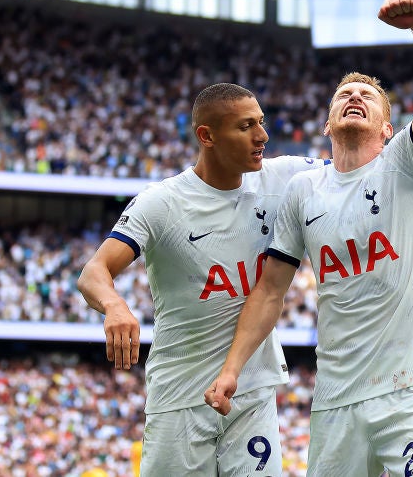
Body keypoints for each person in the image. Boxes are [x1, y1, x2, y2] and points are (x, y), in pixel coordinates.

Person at [205, 0, 413, 477]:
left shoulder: (405, 165)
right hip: (337, 395)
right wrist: (232, 368)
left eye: (368, 96)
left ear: (389, 129)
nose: (355, 97)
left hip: (411, 386)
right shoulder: (305, 190)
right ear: (327, 123)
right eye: (344, 94)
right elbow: (269, 291)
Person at [77, 82, 327, 476]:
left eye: (261, 123)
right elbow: (94, 270)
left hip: (252, 390)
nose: (262, 136)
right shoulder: (162, 203)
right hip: (180, 395)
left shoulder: (285, 177)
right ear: (206, 136)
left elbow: (358, 169)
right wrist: (113, 304)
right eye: (245, 127)